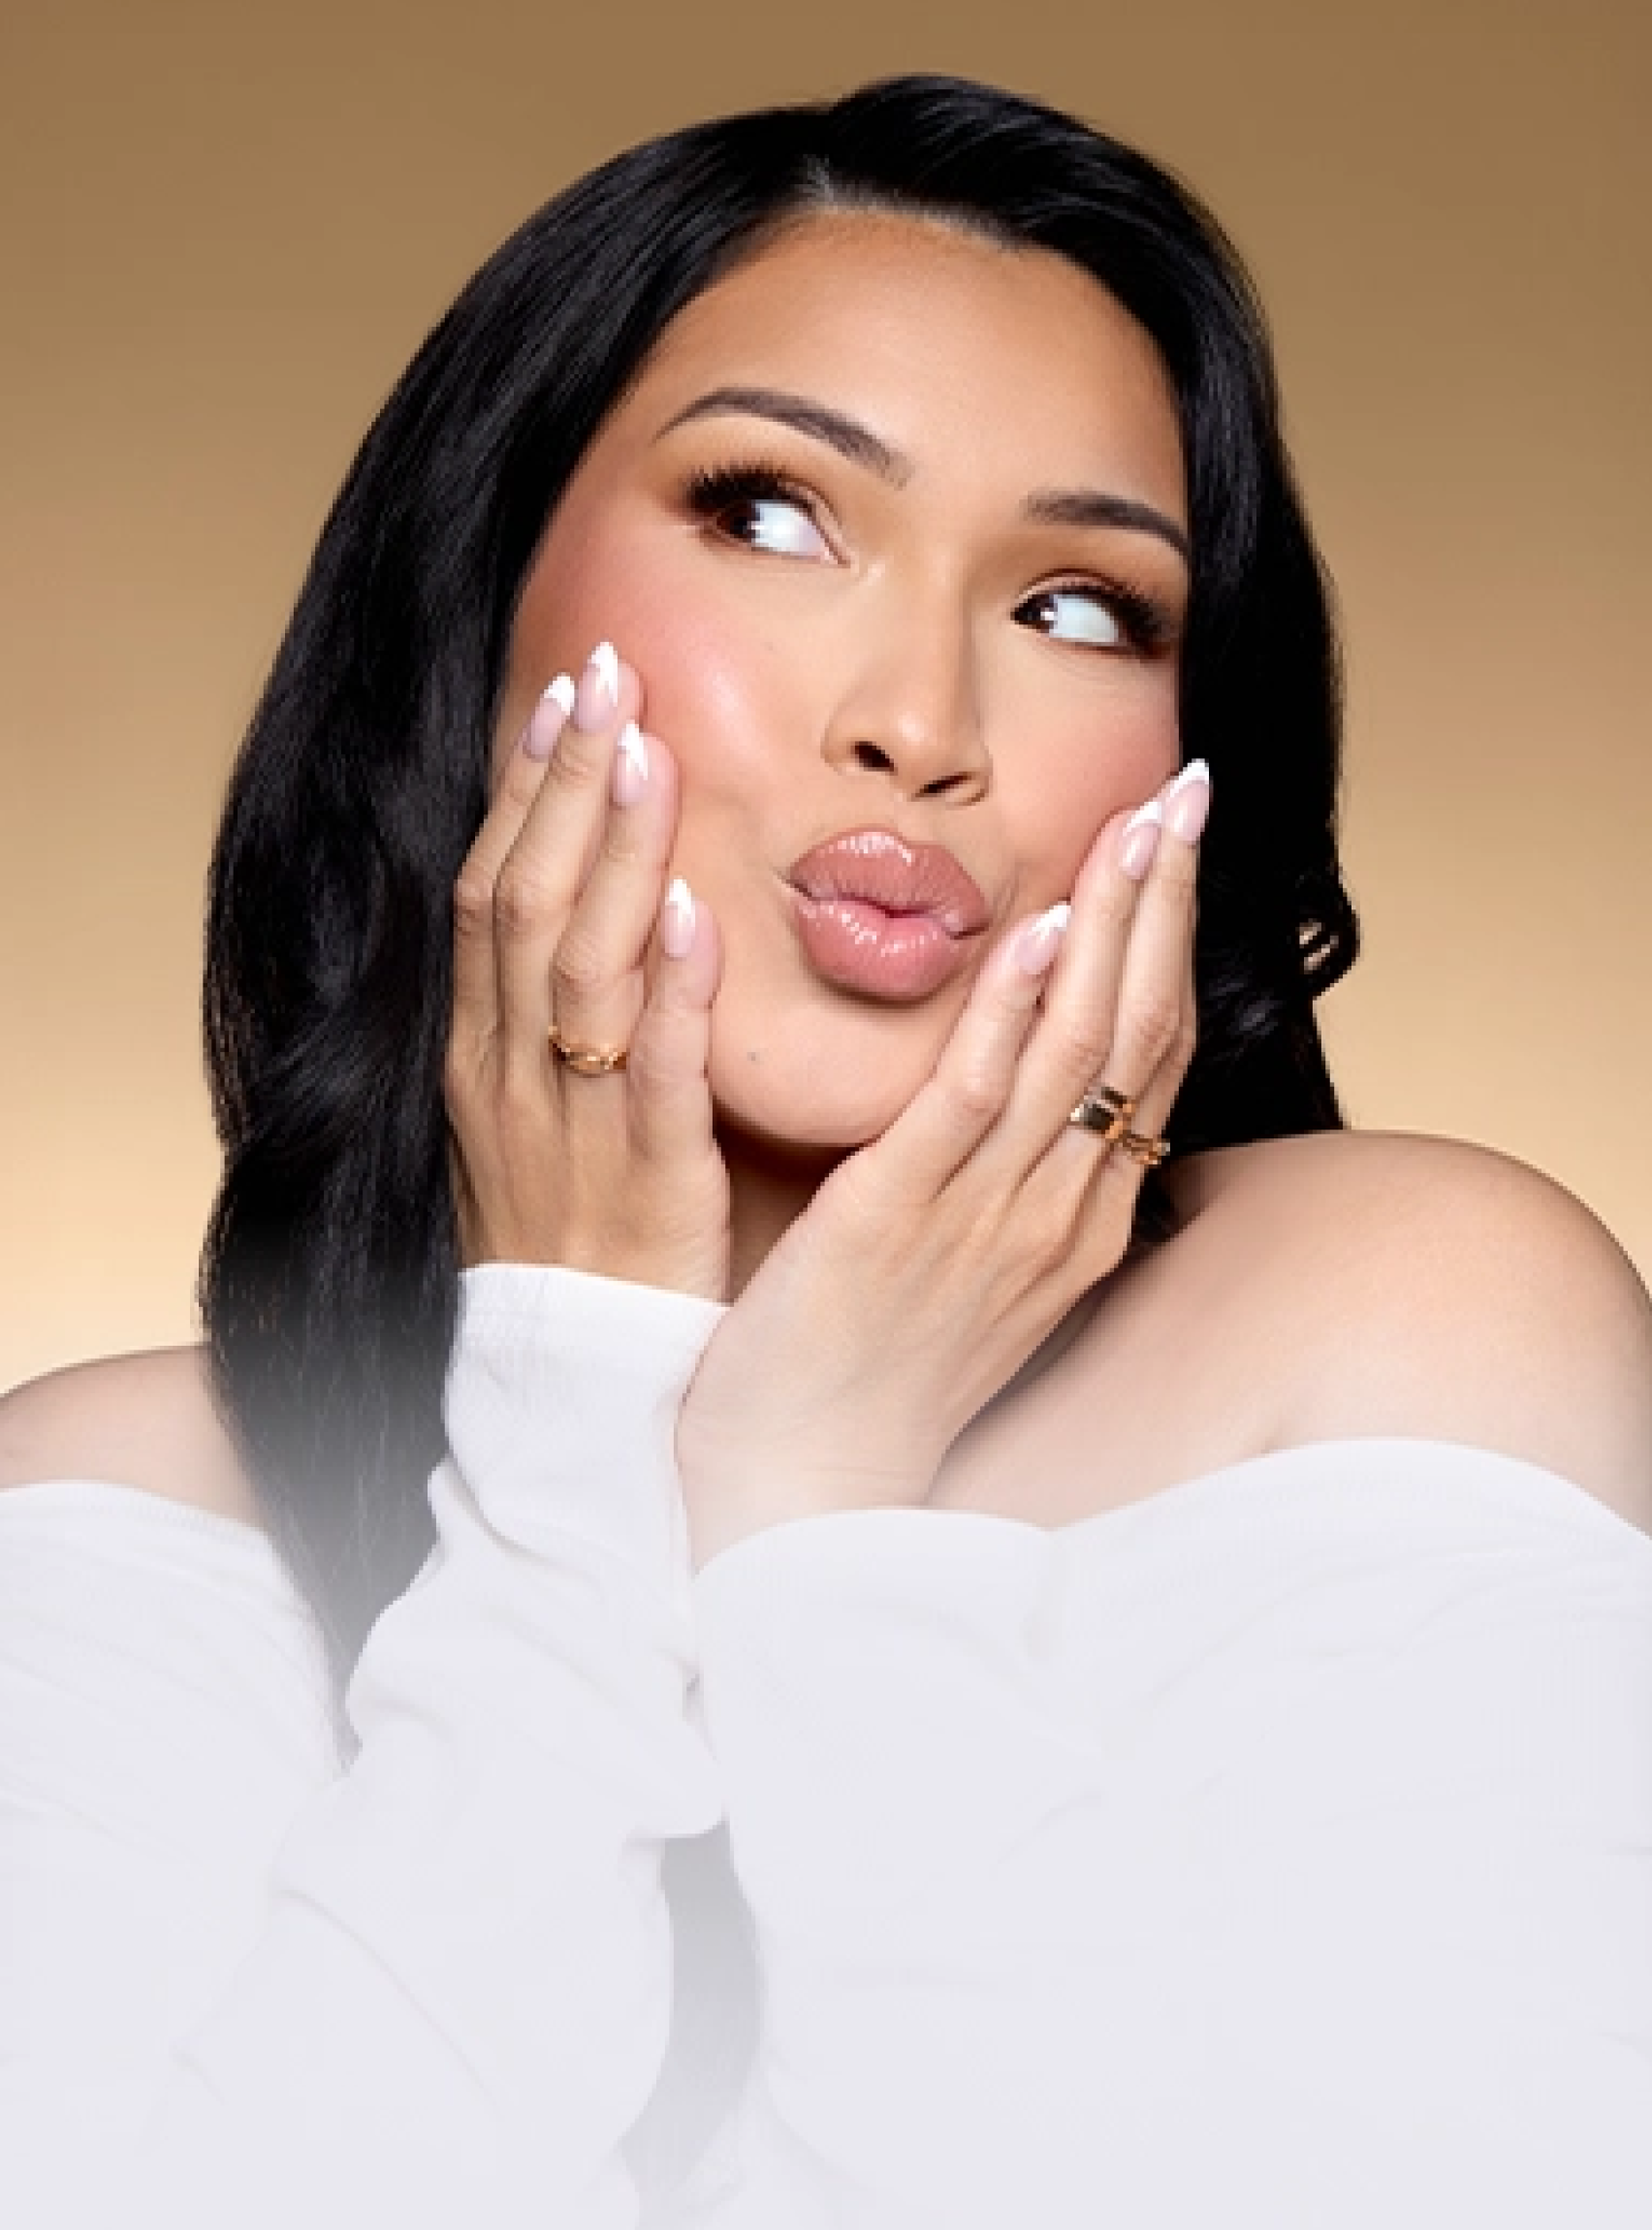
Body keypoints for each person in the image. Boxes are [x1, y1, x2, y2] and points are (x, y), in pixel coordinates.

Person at [1, 72, 1648, 2230]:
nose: (925, 724)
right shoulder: (121, 1507)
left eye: (1082, 608)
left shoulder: (1392, 1325)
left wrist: (816, 1514)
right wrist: (575, 1431)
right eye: (772, 513)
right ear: (482, 595)